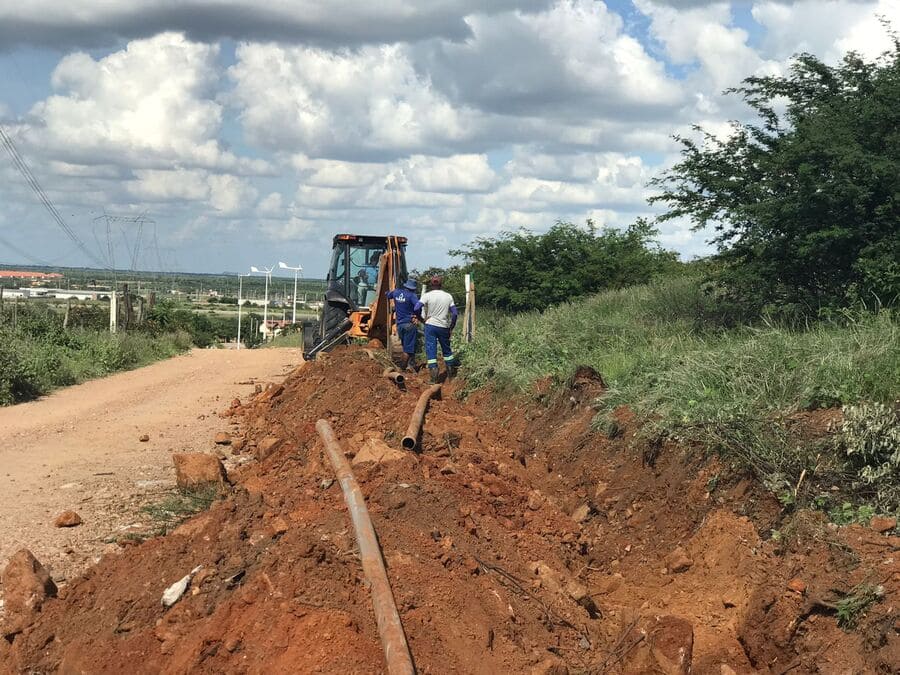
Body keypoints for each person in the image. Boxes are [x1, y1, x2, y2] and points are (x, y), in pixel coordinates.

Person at [414, 275, 458, 383]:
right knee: (446, 350)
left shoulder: (427, 296)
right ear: (441, 284)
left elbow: (416, 308)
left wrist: (421, 319)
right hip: (443, 326)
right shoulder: (448, 296)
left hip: (430, 326)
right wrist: (451, 326)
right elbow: (455, 313)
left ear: (431, 284)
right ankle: (451, 375)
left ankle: (434, 378)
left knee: (431, 350)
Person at [386, 277, 420, 372]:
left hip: (400, 325)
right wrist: (416, 316)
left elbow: (388, 295)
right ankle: (401, 368)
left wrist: (386, 292)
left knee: (406, 346)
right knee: (408, 349)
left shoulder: (396, 292)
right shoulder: (412, 296)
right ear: (413, 288)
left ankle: (411, 365)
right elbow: (418, 306)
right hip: (409, 324)